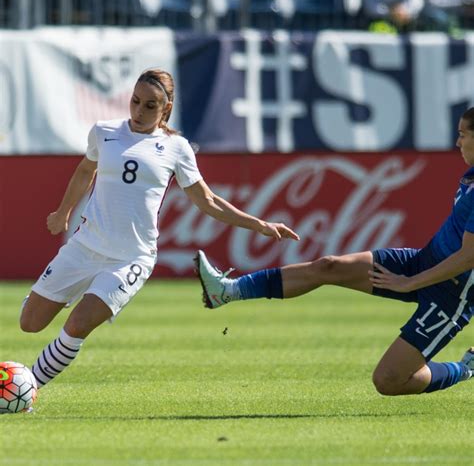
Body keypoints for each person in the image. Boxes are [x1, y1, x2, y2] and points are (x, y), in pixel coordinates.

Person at [21, 68, 299, 390]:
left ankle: (29, 386)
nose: (139, 111)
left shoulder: (176, 148)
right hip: (85, 246)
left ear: (166, 109)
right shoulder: (104, 131)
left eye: (150, 105)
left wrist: (259, 225)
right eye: (135, 101)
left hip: (131, 258)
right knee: (30, 323)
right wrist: (63, 212)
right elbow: (86, 170)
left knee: (78, 324)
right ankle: (64, 293)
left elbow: (207, 200)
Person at [195, 107, 474, 397]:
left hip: (452, 293)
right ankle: (227, 291)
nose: (457, 142)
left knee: (389, 380)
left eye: (463, 134)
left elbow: (468, 257)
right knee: (328, 266)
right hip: (424, 261)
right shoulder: (470, 174)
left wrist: (410, 283)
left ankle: (465, 369)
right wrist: (413, 276)